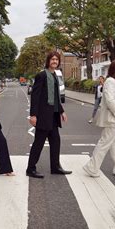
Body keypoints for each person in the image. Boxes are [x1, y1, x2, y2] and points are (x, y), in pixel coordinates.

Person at [83, 60, 115, 177]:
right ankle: (91, 167)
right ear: (113, 69)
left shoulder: (114, 81)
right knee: (104, 143)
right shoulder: (110, 81)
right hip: (113, 118)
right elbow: (109, 99)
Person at [26, 51, 70, 179]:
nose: (54, 61)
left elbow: (56, 97)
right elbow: (35, 96)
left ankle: (55, 167)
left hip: (53, 116)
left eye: (56, 60)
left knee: (56, 141)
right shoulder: (42, 75)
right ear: (48, 61)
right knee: (38, 142)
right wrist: (33, 115)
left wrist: (61, 111)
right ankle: (30, 169)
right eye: (52, 59)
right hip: (44, 116)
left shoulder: (55, 75)